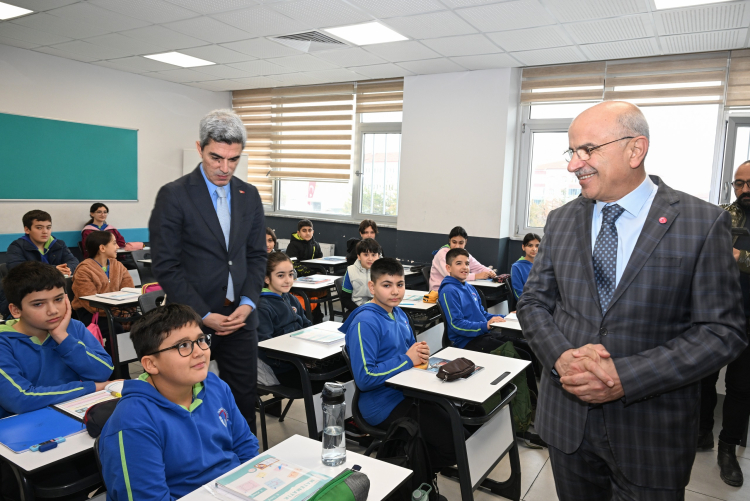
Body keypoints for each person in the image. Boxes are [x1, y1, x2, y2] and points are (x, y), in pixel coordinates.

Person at [517, 101, 747, 500]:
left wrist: (626, 377)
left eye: (587, 150)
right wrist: (561, 357)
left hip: (651, 433)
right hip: (567, 422)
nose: (574, 164)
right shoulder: (561, 219)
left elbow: (722, 332)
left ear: (635, 149)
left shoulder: (702, 223)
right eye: (572, 151)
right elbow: (533, 302)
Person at [149, 109, 267, 433]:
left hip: (240, 318)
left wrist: (248, 303)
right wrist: (203, 313)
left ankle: (245, 459)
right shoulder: (174, 195)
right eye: (216, 157)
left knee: (243, 400)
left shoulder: (249, 195)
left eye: (233, 159)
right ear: (200, 148)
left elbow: (257, 256)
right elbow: (166, 265)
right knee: (186, 403)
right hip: (191, 319)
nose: (224, 168)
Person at [99, 304, 259, 501]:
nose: (199, 351)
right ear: (151, 364)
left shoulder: (215, 386)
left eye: (201, 340)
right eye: (183, 345)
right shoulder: (133, 422)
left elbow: (245, 445)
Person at [0, 262, 114, 501]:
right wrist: (91, 388)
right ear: (16, 310)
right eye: (38, 304)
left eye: (59, 299)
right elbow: (20, 398)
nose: (53, 310)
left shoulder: (72, 328)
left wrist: (63, 337)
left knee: (122, 459)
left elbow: (103, 371)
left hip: (74, 426)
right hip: (25, 440)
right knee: (64, 487)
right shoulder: (4, 342)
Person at [340, 258, 461, 474]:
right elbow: (365, 378)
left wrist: (420, 354)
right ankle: (406, 473)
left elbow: (408, 353)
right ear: (372, 287)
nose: (395, 291)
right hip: (381, 404)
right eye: (387, 285)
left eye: (400, 284)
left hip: (406, 390)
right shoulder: (365, 322)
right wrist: (407, 359)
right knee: (453, 443)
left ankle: (416, 463)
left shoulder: (399, 313)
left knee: (459, 423)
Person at [697, 159, 750, 486]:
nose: (744, 190)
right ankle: (702, 432)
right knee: (704, 376)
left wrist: (740, 257)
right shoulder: (720, 214)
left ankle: (728, 449)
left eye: (749, 183)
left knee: (741, 387)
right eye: (738, 183)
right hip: (716, 312)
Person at [257, 252, 314, 389]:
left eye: (290, 274)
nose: (288, 280)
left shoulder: (291, 298)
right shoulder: (262, 307)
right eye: (280, 275)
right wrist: (297, 361)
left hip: (300, 357)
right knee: (322, 382)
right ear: (266, 278)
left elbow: (307, 325)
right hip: (282, 368)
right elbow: (264, 348)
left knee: (341, 368)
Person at [71, 231, 135, 344]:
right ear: (102, 248)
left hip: (118, 309)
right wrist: (119, 315)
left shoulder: (118, 265)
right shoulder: (84, 270)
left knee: (142, 323)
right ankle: (111, 356)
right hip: (91, 312)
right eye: (114, 243)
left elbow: (130, 290)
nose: (118, 246)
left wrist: (127, 313)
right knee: (115, 329)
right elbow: (89, 302)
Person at [438, 248, 505, 351]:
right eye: (459, 263)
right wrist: (485, 325)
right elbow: (456, 324)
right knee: (520, 353)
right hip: (466, 342)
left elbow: (483, 314)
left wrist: (506, 317)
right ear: (448, 268)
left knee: (524, 346)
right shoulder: (448, 291)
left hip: (482, 335)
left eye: (467, 264)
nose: (464, 267)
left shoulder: (470, 288)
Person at [6, 210, 78, 276]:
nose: (45, 232)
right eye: (39, 228)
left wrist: (67, 269)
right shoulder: (16, 247)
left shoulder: (59, 244)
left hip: (58, 284)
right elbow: (17, 270)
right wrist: (53, 270)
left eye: (48, 227)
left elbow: (73, 261)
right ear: (27, 229)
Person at [429, 226, 495, 291]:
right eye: (454, 242)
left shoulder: (464, 253)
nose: (457, 246)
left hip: (457, 288)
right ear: (449, 241)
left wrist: (489, 272)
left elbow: (478, 267)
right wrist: (476, 276)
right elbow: (451, 275)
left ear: (465, 242)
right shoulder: (442, 254)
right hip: (439, 291)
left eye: (461, 243)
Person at [342, 238, 380, 308]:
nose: (370, 259)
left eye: (373, 255)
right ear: (359, 256)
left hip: (378, 308)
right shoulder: (351, 271)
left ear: (378, 256)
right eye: (366, 255)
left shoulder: (383, 272)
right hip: (356, 308)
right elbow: (345, 299)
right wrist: (360, 310)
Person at [510, 233, 540, 301]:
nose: (534, 249)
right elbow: (518, 293)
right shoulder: (517, 267)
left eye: (537, 246)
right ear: (523, 247)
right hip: (528, 303)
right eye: (530, 245)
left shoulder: (544, 265)